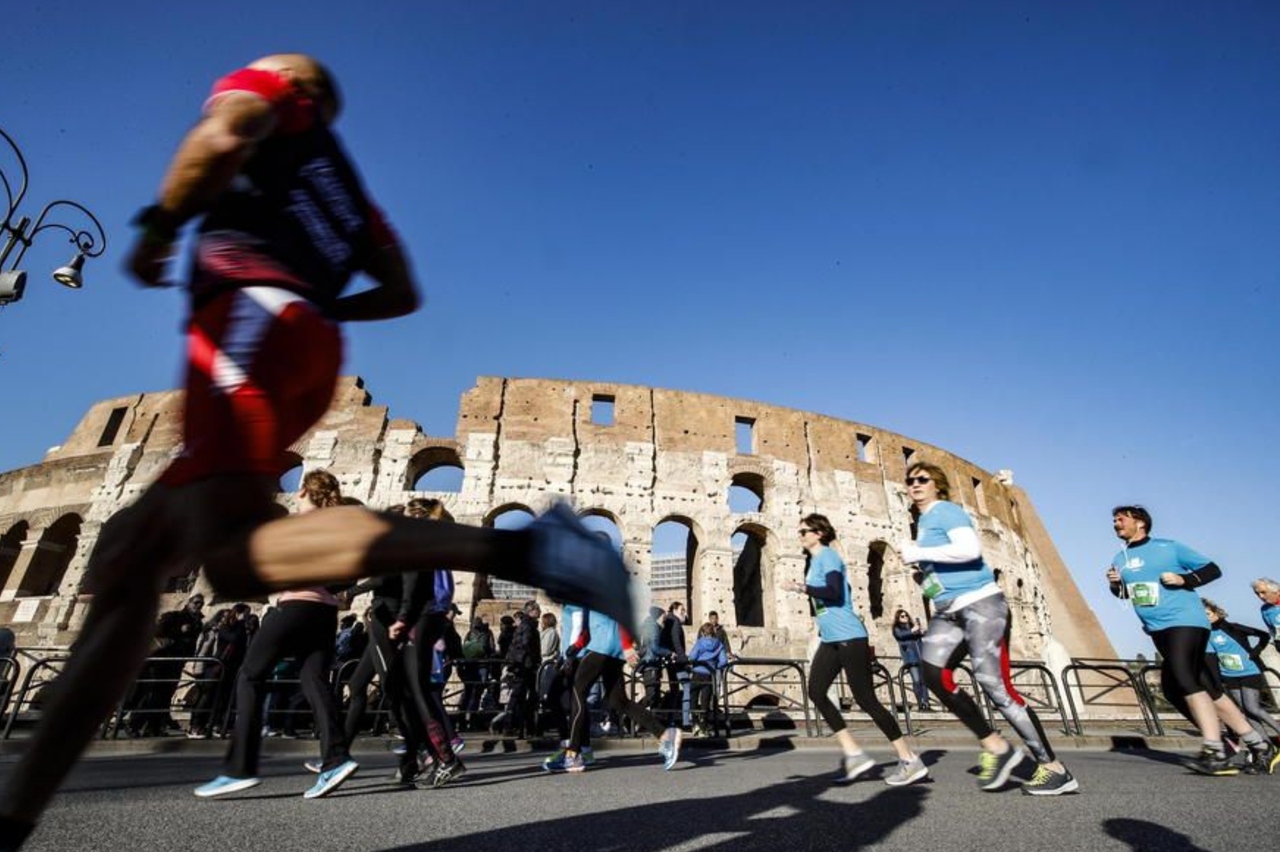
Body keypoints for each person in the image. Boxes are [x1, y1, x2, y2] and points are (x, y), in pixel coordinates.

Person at [0, 53, 634, 851]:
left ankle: (526, 549)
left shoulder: (277, 100)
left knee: (231, 554)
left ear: (298, 89)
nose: (239, 77)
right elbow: (402, 291)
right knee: (143, 561)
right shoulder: (352, 195)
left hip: (247, 320)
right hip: (299, 338)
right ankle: (18, 814)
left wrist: (160, 228)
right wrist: (321, 301)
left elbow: (220, 135)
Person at [901, 462, 1076, 795]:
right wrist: (923, 573)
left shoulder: (945, 511)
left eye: (922, 479)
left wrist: (919, 552)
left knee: (996, 687)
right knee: (934, 674)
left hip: (981, 604)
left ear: (937, 485)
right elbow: (940, 570)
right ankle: (996, 745)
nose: (915, 485)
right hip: (949, 610)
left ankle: (1054, 768)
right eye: (910, 481)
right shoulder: (924, 523)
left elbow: (970, 550)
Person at [194, 469, 358, 799]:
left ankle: (240, 767)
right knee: (315, 681)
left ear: (302, 492)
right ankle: (335, 758)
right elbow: (349, 577)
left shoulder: (298, 524)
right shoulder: (337, 525)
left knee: (250, 676)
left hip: (293, 606)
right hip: (324, 612)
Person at [1106, 505, 1275, 776]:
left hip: (1185, 620)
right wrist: (1115, 584)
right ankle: (1259, 744)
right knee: (1206, 687)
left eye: (1121, 519)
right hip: (1156, 627)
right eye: (1114, 520)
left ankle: (1215, 750)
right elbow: (1125, 595)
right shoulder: (1120, 556)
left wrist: (1184, 579)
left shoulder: (1168, 547)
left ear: (1140, 523)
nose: (1116, 524)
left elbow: (1212, 570)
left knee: (1185, 680)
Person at [784, 514, 925, 787]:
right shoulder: (815, 562)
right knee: (816, 690)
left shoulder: (828, 556)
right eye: (799, 530)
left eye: (804, 530)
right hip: (832, 638)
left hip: (850, 636)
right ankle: (853, 753)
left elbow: (835, 591)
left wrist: (800, 587)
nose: (800, 534)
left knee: (865, 699)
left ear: (819, 533)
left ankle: (909, 759)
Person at [544, 606, 682, 773]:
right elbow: (590, 627)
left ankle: (572, 755)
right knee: (619, 701)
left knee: (577, 692)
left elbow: (618, 608)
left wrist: (626, 645)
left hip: (603, 645)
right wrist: (577, 646)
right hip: (608, 648)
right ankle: (665, 734)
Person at [1202, 599, 1280, 767]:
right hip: (1229, 675)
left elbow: (1263, 635)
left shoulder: (1233, 627)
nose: (1206, 618)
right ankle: (1265, 747)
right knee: (1245, 712)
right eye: (1203, 616)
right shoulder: (1205, 634)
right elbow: (1211, 659)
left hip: (1249, 671)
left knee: (1252, 708)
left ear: (1216, 613)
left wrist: (1255, 652)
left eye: (1208, 614)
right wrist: (1217, 681)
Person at [127, 593, 205, 736]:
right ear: (188, 603)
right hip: (163, 661)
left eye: (201, 603)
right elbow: (159, 631)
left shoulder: (198, 622)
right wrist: (179, 630)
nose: (198, 606)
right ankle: (134, 725)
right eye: (196, 602)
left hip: (177, 661)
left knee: (166, 696)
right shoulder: (175, 616)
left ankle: (154, 728)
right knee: (153, 695)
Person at [687, 622, 728, 736]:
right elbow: (724, 661)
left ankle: (694, 724)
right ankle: (703, 727)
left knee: (693, 698)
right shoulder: (719, 644)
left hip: (697, 673)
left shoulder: (700, 643)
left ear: (703, 633)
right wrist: (715, 666)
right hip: (709, 675)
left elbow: (692, 657)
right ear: (713, 632)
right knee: (705, 700)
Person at [892, 609, 932, 712]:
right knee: (917, 680)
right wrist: (912, 631)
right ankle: (920, 702)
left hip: (921, 657)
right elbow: (901, 636)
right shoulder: (897, 628)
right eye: (902, 616)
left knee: (924, 681)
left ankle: (926, 703)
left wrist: (923, 632)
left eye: (906, 615)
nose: (905, 617)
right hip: (910, 658)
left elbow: (921, 638)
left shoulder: (913, 627)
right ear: (898, 618)